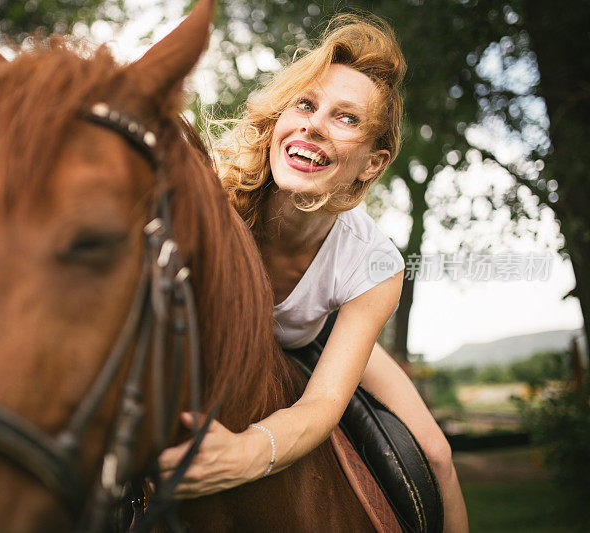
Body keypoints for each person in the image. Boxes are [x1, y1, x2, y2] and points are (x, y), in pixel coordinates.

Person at [157, 13, 469, 532]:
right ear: (280, 119)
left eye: (347, 119)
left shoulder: (374, 263)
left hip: (313, 334)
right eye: (304, 103)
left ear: (373, 162)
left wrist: (248, 452)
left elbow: (324, 402)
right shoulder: (212, 202)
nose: (314, 124)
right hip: (230, 339)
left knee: (436, 453)